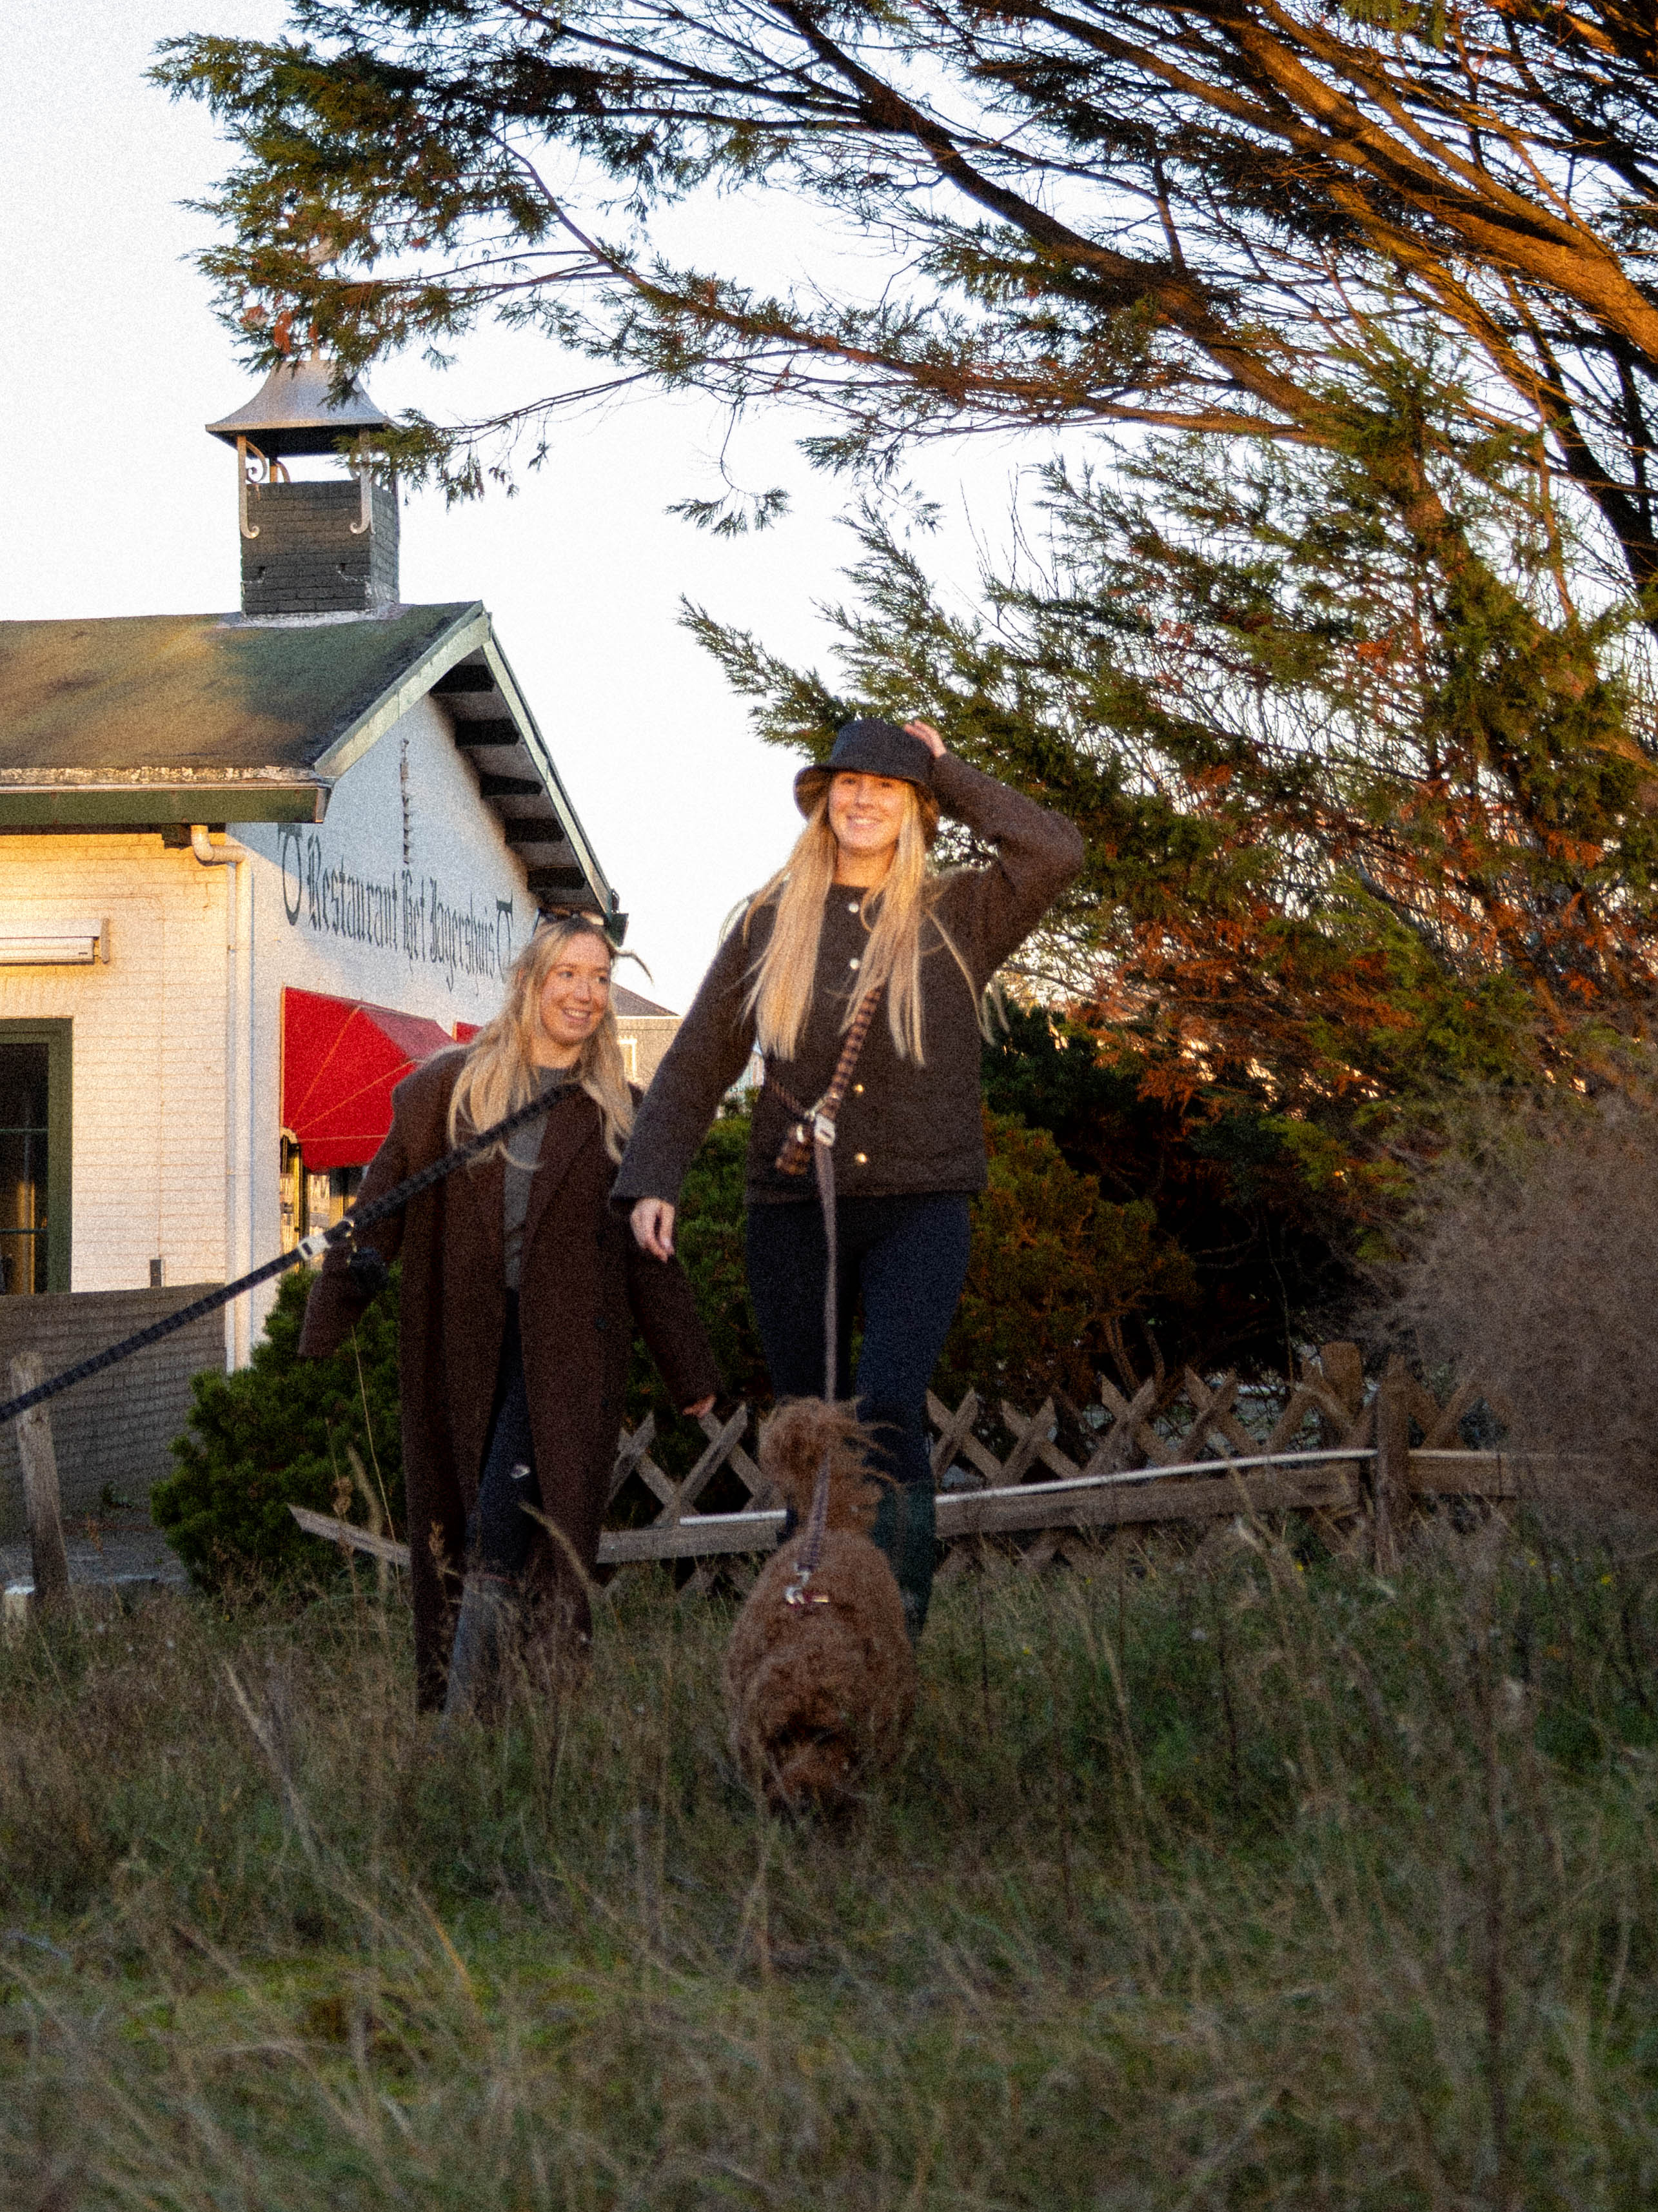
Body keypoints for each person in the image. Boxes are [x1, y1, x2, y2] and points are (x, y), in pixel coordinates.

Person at [618, 719, 1083, 1634]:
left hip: (920, 1205)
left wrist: (951, 766)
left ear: (919, 809)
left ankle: (894, 1626)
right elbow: (699, 1057)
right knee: (811, 1425)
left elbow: (1054, 848)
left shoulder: (960, 914)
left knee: (890, 1408)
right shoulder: (767, 919)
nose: (863, 798)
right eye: (848, 783)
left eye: (890, 786)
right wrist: (653, 1176)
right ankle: (812, 1618)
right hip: (792, 1206)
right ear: (822, 799)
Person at [299, 909, 718, 1713]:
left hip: (566, 1359)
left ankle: (466, 1724)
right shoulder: (444, 1093)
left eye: (599, 979)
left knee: (504, 1521)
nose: (585, 994)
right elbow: (377, 1209)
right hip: (462, 1353)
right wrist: (334, 1312)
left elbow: (650, 1250)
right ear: (530, 981)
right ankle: (501, 1722)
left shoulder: (620, 1114)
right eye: (568, 974)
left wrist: (687, 1366)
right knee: (463, 1526)